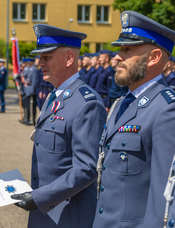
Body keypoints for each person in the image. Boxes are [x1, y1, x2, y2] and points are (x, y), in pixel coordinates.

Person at [11, 24, 107, 228]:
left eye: (46, 57)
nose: (40, 63)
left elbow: (87, 168)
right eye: (40, 58)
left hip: (68, 214)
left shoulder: (87, 103)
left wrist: (40, 197)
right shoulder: (55, 95)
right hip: (44, 209)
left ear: (69, 58)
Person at [93, 11, 175, 228]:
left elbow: (164, 199)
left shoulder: (167, 110)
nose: (118, 56)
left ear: (154, 57)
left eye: (128, 50)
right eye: (120, 49)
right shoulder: (121, 104)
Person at [24, 57, 38, 125]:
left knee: (33, 106)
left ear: (32, 62)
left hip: (32, 90)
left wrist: (32, 91)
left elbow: (34, 81)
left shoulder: (34, 69)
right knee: (29, 105)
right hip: (29, 89)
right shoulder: (29, 69)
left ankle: (33, 120)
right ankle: (28, 118)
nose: (28, 63)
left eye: (29, 62)